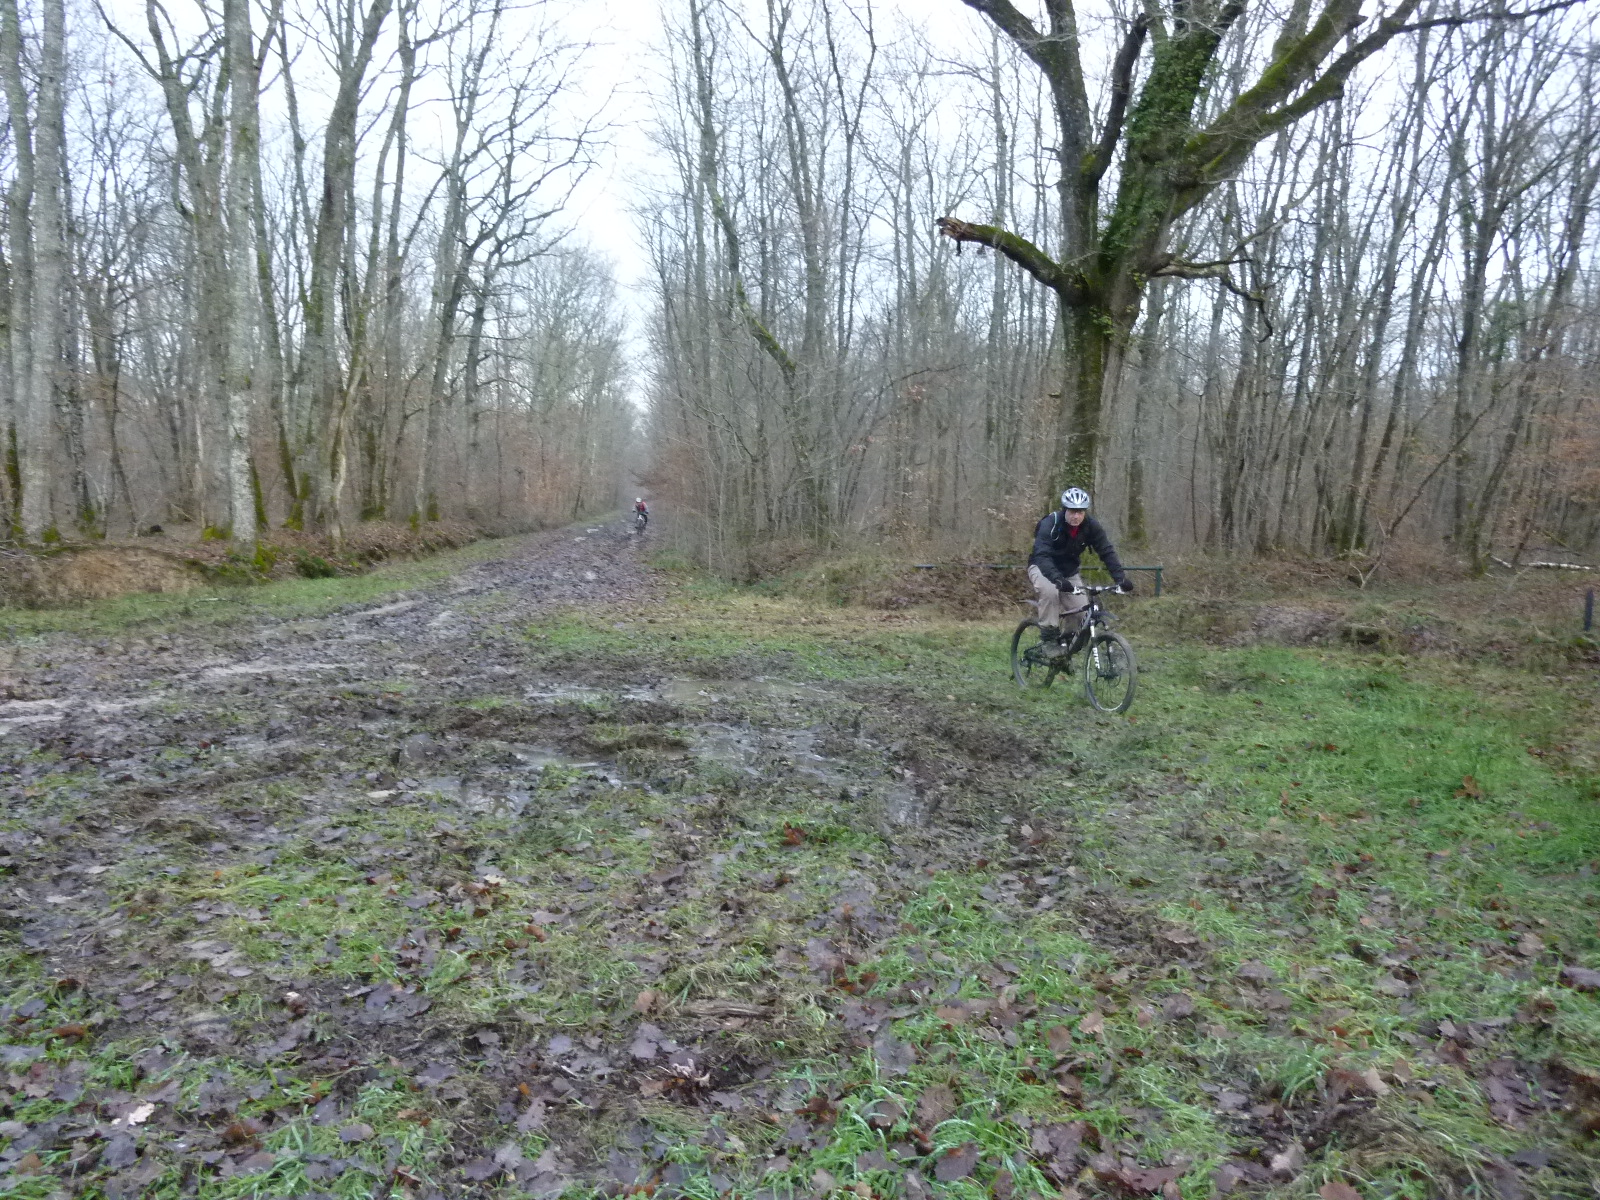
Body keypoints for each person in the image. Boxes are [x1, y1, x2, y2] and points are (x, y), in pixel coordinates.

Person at [1028, 487, 1133, 658]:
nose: (1076, 516)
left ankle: (1066, 644)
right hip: (1042, 567)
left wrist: (1120, 578)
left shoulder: (1091, 526)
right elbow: (1041, 554)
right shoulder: (1051, 523)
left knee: (1082, 612)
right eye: (1072, 511)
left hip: (1069, 571)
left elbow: (1106, 551)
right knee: (1050, 592)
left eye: (1080, 512)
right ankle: (1049, 639)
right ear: (1065, 510)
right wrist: (1056, 578)